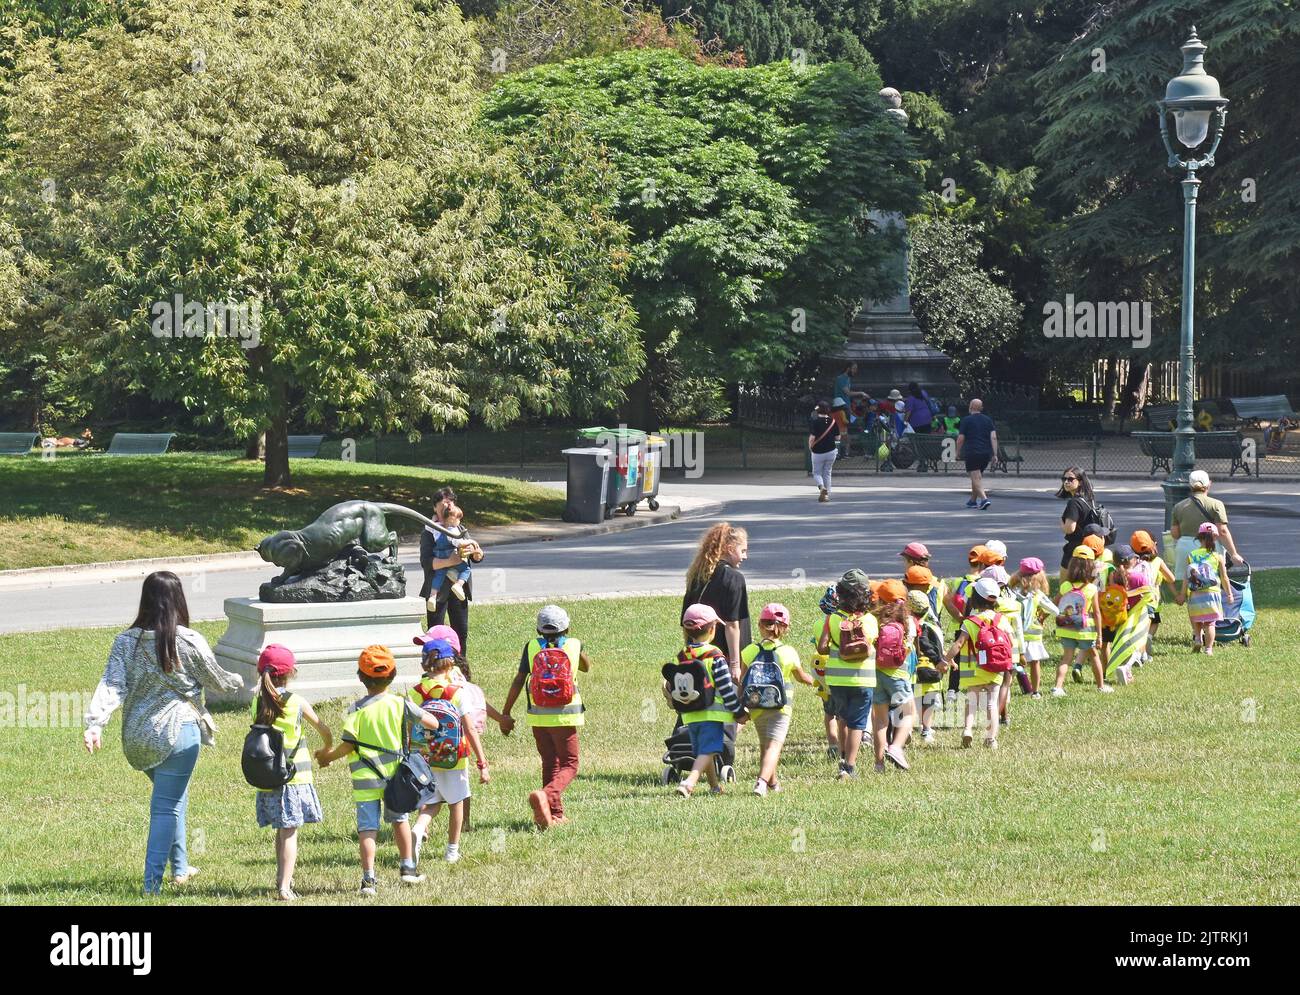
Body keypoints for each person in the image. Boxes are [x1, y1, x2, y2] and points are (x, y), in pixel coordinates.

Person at [83, 571, 244, 896]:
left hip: (139, 738)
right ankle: (151, 885)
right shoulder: (188, 640)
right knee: (166, 807)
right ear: (178, 600)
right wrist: (248, 678)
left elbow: (112, 684)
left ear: (145, 600)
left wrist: (95, 724)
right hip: (179, 734)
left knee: (173, 797)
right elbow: (221, 682)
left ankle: (181, 868)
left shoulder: (125, 641)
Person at [315, 645, 441, 894]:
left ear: (361, 678)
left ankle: (368, 880)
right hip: (396, 777)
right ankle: (408, 869)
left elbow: (349, 745)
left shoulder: (355, 710)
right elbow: (433, 722)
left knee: (368, 828)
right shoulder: (399, 704)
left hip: (365, 779)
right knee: (400, 820)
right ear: (392, 674)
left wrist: (328, 757)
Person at [249, 644, 330, 901]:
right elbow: (323, 729)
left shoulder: (257, 701)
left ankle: (280, 877)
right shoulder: (296, 702)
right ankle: (285, 886)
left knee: (281, 829)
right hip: (294, 778)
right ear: (290, 672)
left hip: (269, 776)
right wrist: (327, 747)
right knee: (290, 832)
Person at [500, 605, 591, 829]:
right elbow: (587, 667)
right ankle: (546, 794)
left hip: (538, 717)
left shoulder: (531, 647)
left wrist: (506, 712)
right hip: (564, 716)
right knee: (570, 764)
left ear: (538, 629)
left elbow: (519, 680)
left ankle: (554, 814)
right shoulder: (573, 644)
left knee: (550, 762)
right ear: (567, 626)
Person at [407, 638, 489, 865]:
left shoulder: (415, 693)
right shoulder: (457, 692)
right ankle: (452, 850)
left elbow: (409, 728)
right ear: (450, 663)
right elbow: (470, 728)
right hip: (455, 757)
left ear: (424, 664)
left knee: (432, 801)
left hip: (425, 758)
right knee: (456, 803)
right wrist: (482, 762)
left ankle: (418, 828)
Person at [665, 604, 745, 797]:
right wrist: (738, 711)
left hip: (689, 714)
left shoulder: (681, 656)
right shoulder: (715, 656)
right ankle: (689, 783)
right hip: (712, 713)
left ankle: (714, 786)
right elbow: (726, 688)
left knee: (703, 749)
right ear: (712, 629)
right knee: (709, 749)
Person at [739, 603, 814, 796]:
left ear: (760, 625)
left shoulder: (749, 651)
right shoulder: (788, 652)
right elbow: (801, 677)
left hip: (755, 705)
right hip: (780, 707)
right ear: (785, 628)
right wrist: (818, 683)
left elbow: (742, 679)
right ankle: (761, 782)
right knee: (774, 746)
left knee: (766, 745)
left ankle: (773, 784)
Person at [815, 568, 877, 779]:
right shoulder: (870, 620)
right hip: (863, 678)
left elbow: (822, 648)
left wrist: (836, 643)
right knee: (858, 723)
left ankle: (842, 757)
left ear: (840, 594)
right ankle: (849, 766)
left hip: (836, 679)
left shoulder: (832, 618)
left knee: (841, 717)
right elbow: (870, 646)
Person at [943, 578, 1012, 749]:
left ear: (974, 598)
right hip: (995, 669)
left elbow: (958, 644)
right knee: (992, 704)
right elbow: (1011, 642)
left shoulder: (969, 622)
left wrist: (945, 659)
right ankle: (991, 738)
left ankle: (967, 730)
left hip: (971, 671)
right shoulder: (1001, 620)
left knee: (971, 701)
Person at [682, 523, 751, 679]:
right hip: (725, 656)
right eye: (743, 551)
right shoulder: (734, 578)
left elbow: (686, 622)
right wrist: (735, 665)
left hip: (698, 655)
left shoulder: (697, 576)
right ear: (729, 548)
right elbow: (732, 625)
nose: (745, 556)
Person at [419, 486, 484, 651]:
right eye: (443, 507)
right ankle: (435, 666)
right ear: (435, 508)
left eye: (450, 507)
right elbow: (426, 562)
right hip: (437, 589)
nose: (447, 511)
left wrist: (476, 554)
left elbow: (474, 554)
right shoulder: (429, 531)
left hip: (458, 589)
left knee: (461, 633)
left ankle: (461, 670)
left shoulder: (459, 529)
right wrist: (450, 561)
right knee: (435, 633)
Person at [1051, 547, 1108, 696]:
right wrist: (1100, 636)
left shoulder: (1065, 586)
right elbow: (1096, 613)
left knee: (1066, 658)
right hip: (1084, 630)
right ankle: (1101, 686)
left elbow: (1054, 604)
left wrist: (1042, 617)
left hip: (1066, 627)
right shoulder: (1091, 589)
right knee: (1094, 656)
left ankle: (1057, 687)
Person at [1170, 470, 1244, 581]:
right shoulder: (1216, 504)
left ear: (1190, 485)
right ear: (1209, 484)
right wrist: (1233, 554)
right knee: (1211, 581)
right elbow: (1222, 531)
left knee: (1186, 582)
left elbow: (1175, 534)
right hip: (1210, 547)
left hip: (1185, 548)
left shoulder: (1178, 506)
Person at [871, 579, 915, 771]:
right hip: (898, 675)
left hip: (875, 674)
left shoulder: (874, 620)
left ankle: (879, 763)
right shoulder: (908, 623)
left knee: (880, 720)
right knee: (908, 712)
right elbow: (909, 648)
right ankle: (896, 747)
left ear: (880, 599)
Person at [1180, 523, 1234, 656]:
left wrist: (1182, 594)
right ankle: (1208, 649)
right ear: (1214, 538)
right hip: (1212, 593)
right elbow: (1224, 578)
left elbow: (1186, 577)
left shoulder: (1191, 555)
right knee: (1210, 623)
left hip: (1195, 593)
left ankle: (1198, 638)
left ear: (1199, 538)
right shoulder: (1217, 557)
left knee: (1198, 620)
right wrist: (1229, 594)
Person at [1010, 558, 1058, 699]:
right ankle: (1035, 691)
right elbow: (1055, 610)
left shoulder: (1013, 592)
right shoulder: (1038, 595)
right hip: (1034, 635)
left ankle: (1005, 689)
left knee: (1014, 664)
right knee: (1035, 663)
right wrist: (1041, 616)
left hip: (1015, 635)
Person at [909, 590, 947, 741]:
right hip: (931, 670)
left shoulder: (905, 626)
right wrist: (942, 661)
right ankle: (926, 729)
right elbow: (939, 648)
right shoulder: (933, 628)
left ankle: (908, 729)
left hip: (913, 672)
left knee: (911, 702)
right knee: (928, 702)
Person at [1131, 530, 1175, 659]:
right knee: (1147, 627)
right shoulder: (1157, 561)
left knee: (1137, 626)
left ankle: (1139, 651)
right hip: (1152, 599)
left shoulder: (1133, 560)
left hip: (1135, 600)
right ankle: (1143, 653)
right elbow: (1171, 578)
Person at [1058, 466, 1101, 576]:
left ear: (1080, 482)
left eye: (1070, 479)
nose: (1066, 482)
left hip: (1075, 550)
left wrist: (1061, 523)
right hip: (1091, 546)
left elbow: (1069, 529)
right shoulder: (1089, 499)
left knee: (1065, 586)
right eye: (1064, 479)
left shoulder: (1074, 503)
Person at [955, 398, 997, 510]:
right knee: (977, 477)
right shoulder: (988, 420)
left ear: (970, 407)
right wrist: (995, 454)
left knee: (975, 477)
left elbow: (960, 439)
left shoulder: (966, 420)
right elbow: (993, 437)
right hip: (985, 454)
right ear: (981, 408)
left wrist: (957, 452)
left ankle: (984, 499)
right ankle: (972, 501)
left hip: (972, 452)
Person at [808, 400, 840, 502]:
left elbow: (812, 437)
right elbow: (838, 437)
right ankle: (827, 495)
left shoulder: (815, 421)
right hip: (831, 451)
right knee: (827, 472)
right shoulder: (833, 421)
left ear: (818, 410)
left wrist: (810, 447)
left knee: (816, 473)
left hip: (818, 452)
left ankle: (822, 488)